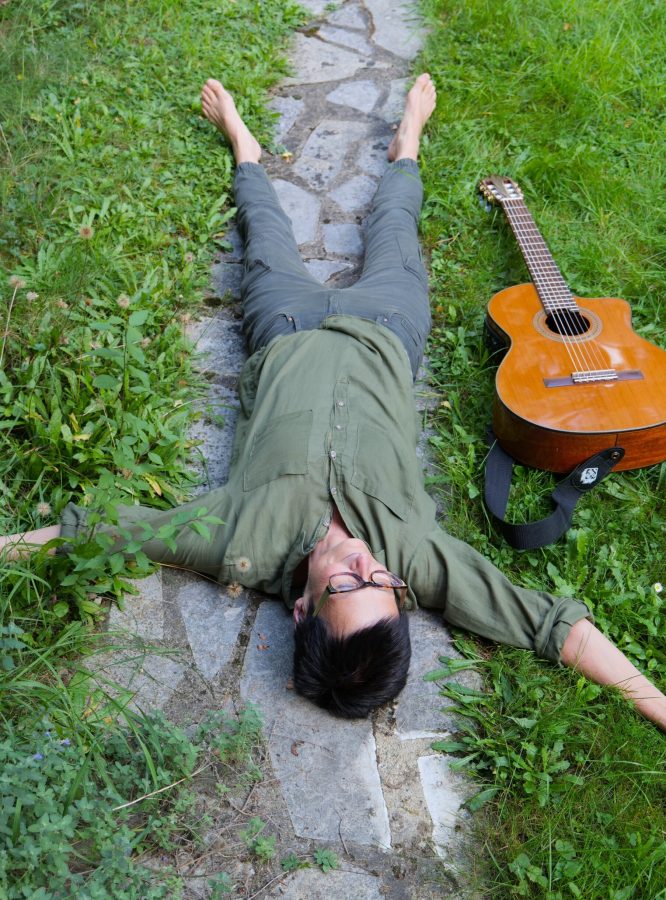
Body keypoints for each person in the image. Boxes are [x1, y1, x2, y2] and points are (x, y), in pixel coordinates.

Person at [2, 76, 665, 730]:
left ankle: (244, 146)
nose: (363, 566)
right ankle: (407, 141)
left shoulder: (240, 542)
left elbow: (98, 533)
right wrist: (658, 705)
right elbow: (549, 625)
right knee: (395, 227)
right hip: (385, 330)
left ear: (301, 610)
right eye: (379, 584)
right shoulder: (412, 559)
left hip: (285, 327)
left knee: (262, 231)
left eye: (345, 588)